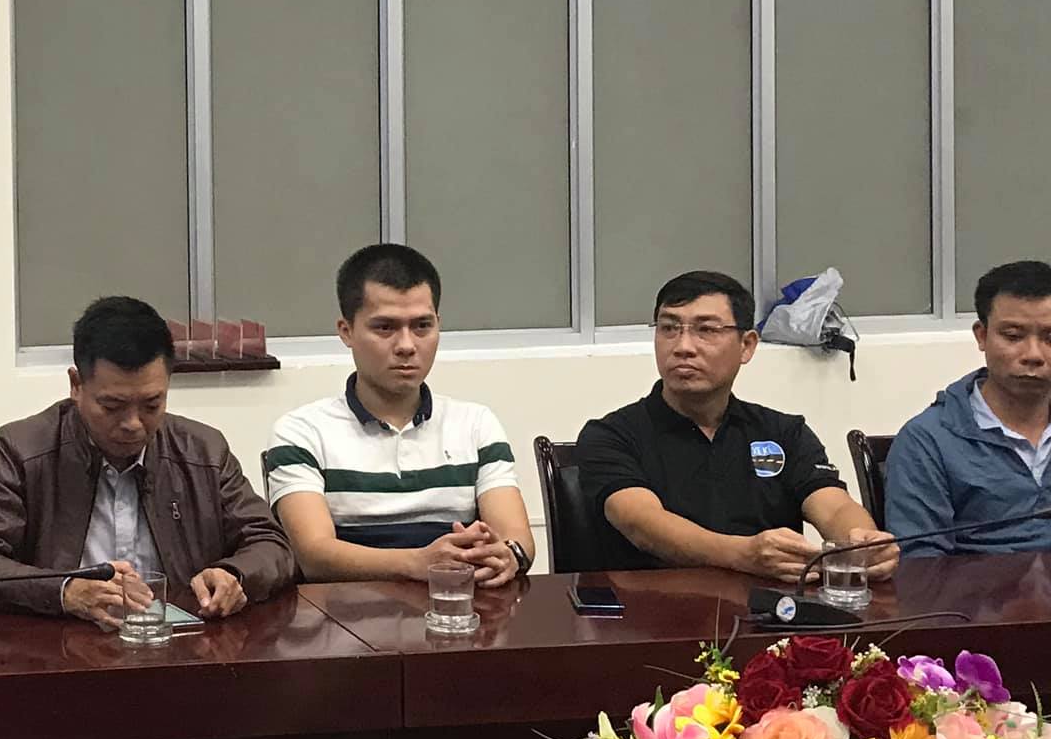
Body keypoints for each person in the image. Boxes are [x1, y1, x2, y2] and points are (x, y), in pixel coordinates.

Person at [0, 296, 295, 629]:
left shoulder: (204, 451)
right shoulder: (21, 450)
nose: (133, 424)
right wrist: (63, 591)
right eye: (112, 406)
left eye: (151, 405)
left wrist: (234, 574)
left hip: (180, 645)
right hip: (58, 648)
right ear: (76, 385)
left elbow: (271, 545)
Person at [578, 269, 896, 581]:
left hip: (771, 608)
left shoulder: (783, 433)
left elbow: (833, 506)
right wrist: (742, 555)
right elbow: (641, 522)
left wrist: (862, 543)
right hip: (652, 608)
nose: (683, 346)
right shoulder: (612, 435)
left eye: (706, 330)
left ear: (747, 345)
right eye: (669, 328)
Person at [264, 244, 534, 588]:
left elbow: (518, 540)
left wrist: (507, 554)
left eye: (422, 326)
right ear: (346, 331)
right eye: (385, 328)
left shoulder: (476, 424)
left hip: (458, 608)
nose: (407, 345)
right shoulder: (302, 432)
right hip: (345, 616)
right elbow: (313, 556)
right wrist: (417, 562)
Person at [887, 260, 1051, 556]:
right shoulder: (928, 440)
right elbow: (921, 562)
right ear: (982, 336)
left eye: (1050, 338)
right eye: (1013, 336)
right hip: (974, 586)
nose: (1033, 355)